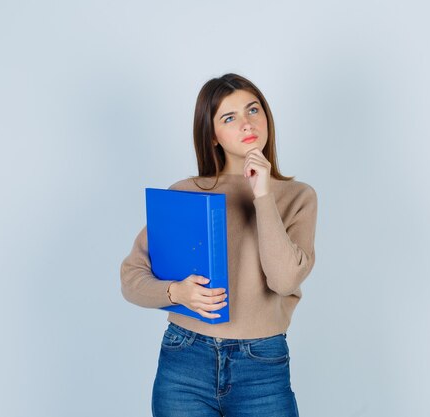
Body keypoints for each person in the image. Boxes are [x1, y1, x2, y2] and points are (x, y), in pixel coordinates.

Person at [120, 73, 317, 417]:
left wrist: (263, 196)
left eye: (253, 110)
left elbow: (284, 280)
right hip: (185, 360)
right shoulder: (185, 192)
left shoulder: (297, 197)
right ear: (212, 135)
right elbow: (131, 279)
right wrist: (175, 293)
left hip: (262, 366)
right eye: (230, 117)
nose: (247, 123)